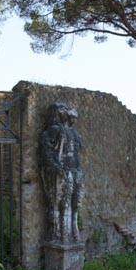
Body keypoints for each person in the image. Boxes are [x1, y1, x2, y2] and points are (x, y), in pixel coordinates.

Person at [40, 102, 84, 244]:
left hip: (75, 171)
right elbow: (47, 153)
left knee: (75, 203)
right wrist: (57, 168)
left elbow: (76, 153)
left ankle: (72, 231)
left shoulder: (73, 132)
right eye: (62, 110)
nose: (66, 112)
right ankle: (60, 233)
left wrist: (79, 171)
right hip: (61, 172)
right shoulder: (53, 131)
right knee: (61, 203)